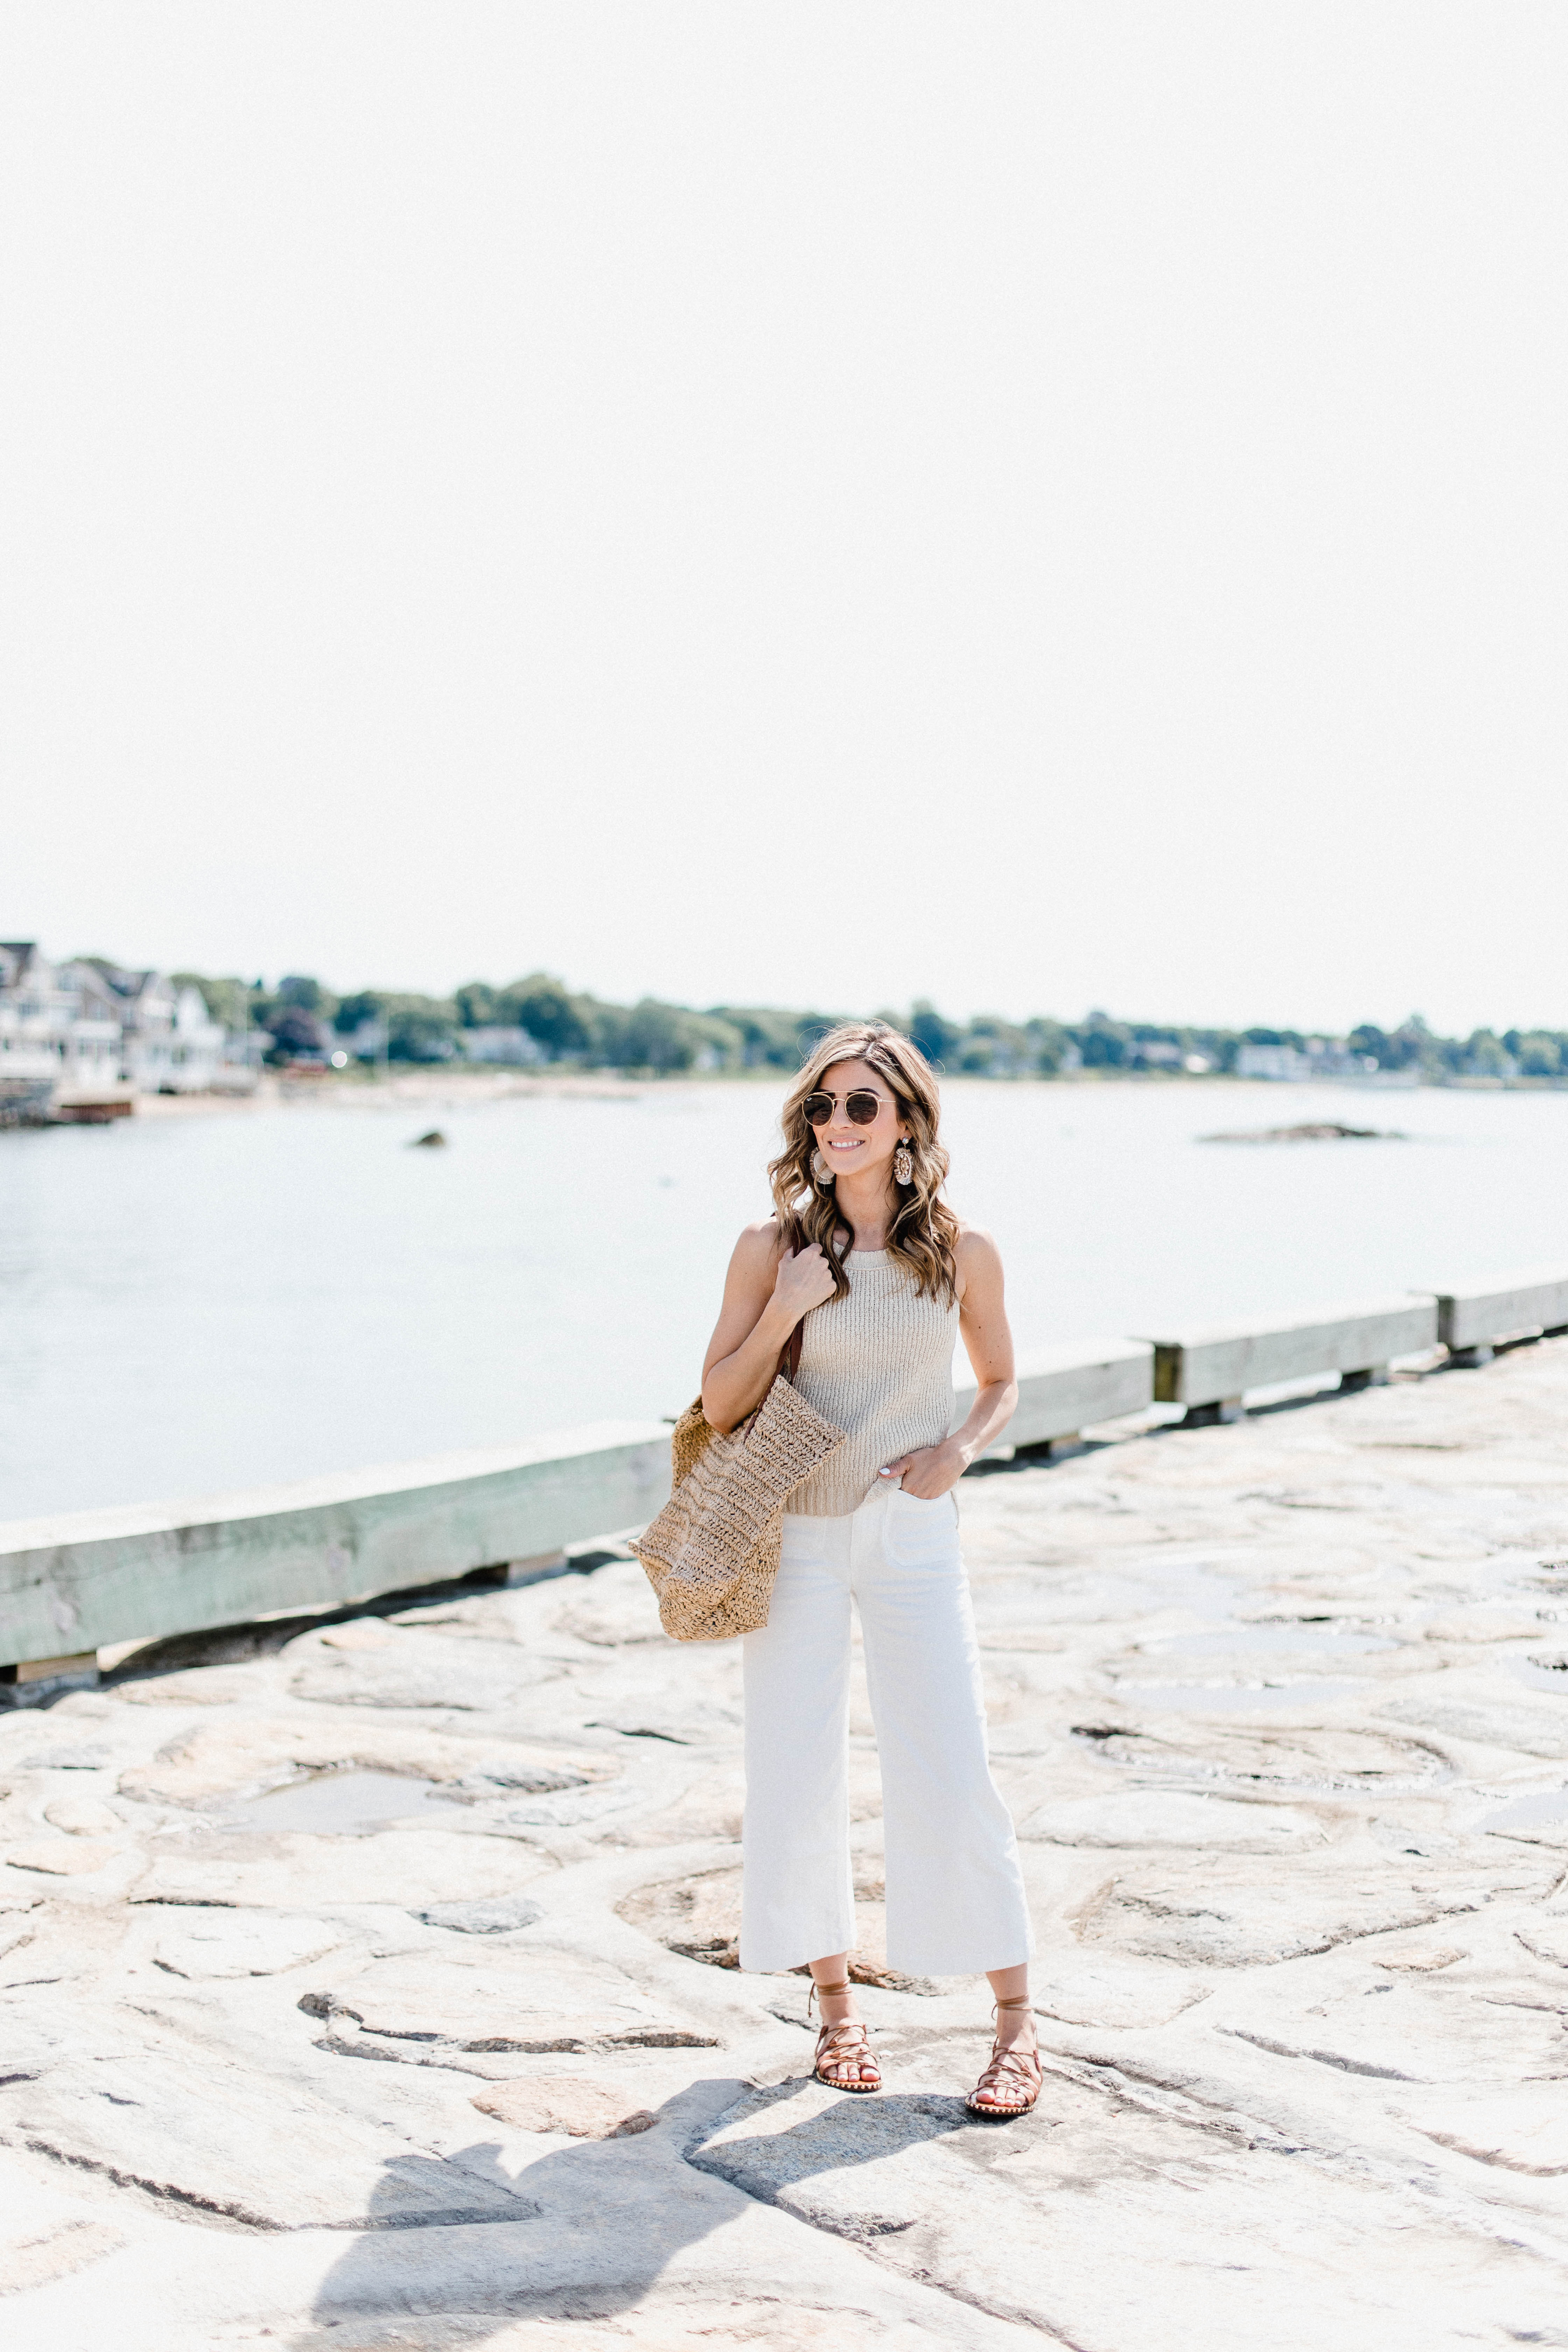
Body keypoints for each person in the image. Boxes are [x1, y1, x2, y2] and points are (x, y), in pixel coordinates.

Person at [700, 1022, 1040, 2118]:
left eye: (861, 1106)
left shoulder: (961, 1251)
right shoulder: (771, 1249)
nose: (836, 1126)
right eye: (823, 1106)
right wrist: (791, 1305)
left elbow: (999, 1383)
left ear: (905, 1123)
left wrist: (959, 1451)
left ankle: (1015, 2026)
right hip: (793, 1534)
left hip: (909, 1533)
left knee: (950, 1766)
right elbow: (719, 1402)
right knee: (793, 1771)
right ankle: (838, 2007)